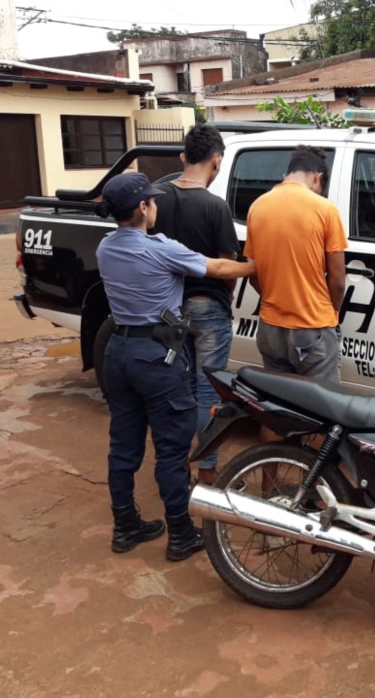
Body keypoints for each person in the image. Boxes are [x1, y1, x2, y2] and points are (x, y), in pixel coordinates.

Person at [95, 172, 254, 562]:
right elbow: (219, 269)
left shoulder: (105, 248)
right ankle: (181, 533)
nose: (156, 206)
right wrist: (256, 267)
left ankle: (125, 525)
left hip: (118, 352)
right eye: (152, 201)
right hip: (156, 356)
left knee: (123, 445)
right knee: (170, 447)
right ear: (142, 208)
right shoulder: (160, 249)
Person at [152, 123, 237, 486]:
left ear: (183, 157)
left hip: (169, 310)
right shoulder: (215, 206)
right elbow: (227, 265)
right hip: (207, 306)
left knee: (181, 389)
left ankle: (178, 466)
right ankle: (207, 471)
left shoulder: (155, 199)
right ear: (216, 162)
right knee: (208, 391)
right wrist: (226, 296)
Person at [244, 145, 348, 383]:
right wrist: (331, 313)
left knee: (277, 399)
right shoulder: (325, 209)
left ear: (286, 175)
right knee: (322, 401)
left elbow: (253, 273)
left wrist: (275, 298)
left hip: (270, 328)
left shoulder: (257, 206)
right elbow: (338, 281)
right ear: (317, 177)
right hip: (313, 325)